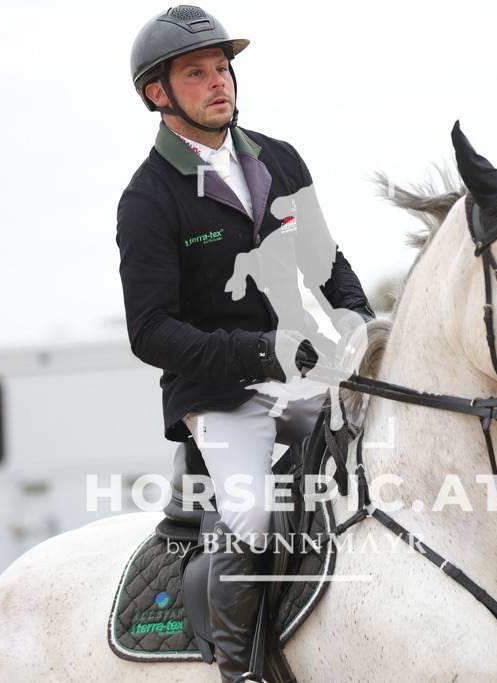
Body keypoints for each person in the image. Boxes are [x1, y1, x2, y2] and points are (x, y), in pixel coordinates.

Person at [116, 6, 373, 682]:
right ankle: (240, 670)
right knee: (254, 512)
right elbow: (150, 330)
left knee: (379, 453)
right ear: (158, 93)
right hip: (218, 395)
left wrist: (356, 316)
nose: (219, 82)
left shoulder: (278, 159)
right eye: (196, 73)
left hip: (302, 373)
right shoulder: (147, 199)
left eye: (222, 68)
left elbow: (324, 259)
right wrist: (261, 352)